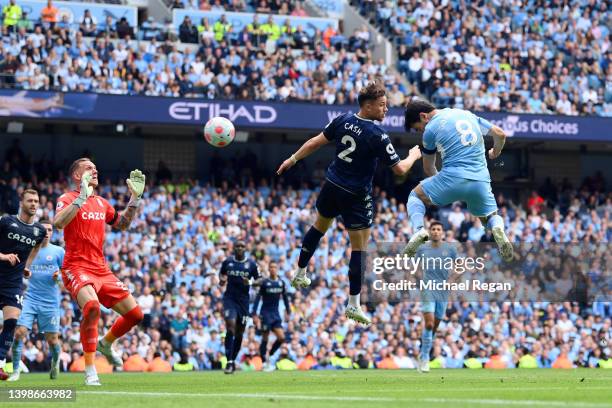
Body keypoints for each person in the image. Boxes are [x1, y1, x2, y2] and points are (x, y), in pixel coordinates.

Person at [276, 81, 422, 325]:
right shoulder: (377, 135)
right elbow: (399, 170)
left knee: (319, 227)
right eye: (382, 105)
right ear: (367, 106)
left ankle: (300, 271)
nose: (386, 110)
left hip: (332, 185)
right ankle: (353, 304)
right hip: (355, 194)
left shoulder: (342, 119)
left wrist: (292, 159)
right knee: (360, 248)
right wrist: (414, 156)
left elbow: (315, 142)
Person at [53, 158, 145, 386]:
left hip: (102, 269)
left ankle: (106, 343)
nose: (95, 170)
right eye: (88, 168)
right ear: (77, 176)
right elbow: (58, 223)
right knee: (93, 307)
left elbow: (122, 224)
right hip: (76, 267)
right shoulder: (67, 199)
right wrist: (81, 198)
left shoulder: (102, 203)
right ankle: (90, 369)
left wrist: (134, 199)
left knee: (136, 316)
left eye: (95, 167)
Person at [402, 100, 513, 262]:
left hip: (452, 177)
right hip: (480, 180)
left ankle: (419, 230)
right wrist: (496, 151)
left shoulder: (431, 130)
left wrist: (445, 187)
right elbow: (500, 133)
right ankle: (498, 228)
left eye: (419, 128)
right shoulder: (466, 114)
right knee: (490, 217)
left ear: (423, 116)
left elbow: (428, 168)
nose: (421, 131)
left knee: (415, 196)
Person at [9, 219, 64, 381]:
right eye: (43, 230)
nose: (47, 232)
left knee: (52, 340)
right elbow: (19, 269)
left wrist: (58, 276)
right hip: (30, 299)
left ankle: (55, 361)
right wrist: (24, 273)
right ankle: (16, 370)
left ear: (52, 232)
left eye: (50, 230)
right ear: (37, 232)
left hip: (51, 302)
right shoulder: (28, 250)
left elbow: (67, 274)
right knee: (19, 333)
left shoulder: (58, 252)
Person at [0, 189, 46, 380]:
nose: (34, 204)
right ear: (22, 202)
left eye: (36, 201)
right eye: (30, 200)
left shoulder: (39, 231)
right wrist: (3, 256)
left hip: (13, 284)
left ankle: (0, 364)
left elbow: (35, 248)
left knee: (11, 323)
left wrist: (27, 266)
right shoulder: (6, 222)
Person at [415, 221, 457, 373]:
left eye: (438, 229)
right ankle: (425, 358)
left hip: (443, 291)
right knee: (429, 323)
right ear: (430, 232)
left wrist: (451, 280)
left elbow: (460, 266)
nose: (436, 231)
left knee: (435, 325)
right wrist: (418, 279)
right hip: (428, 289)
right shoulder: (422, 249)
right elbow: (414, 268)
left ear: (442, 232)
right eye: (433, 229)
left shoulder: (450, 249)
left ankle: (423, 351)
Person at [219, 239, 260, 374]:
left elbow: (259, 279)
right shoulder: (228, 262)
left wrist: (250, 281)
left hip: (243, 302)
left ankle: (232, 359)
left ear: (246, 248)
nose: (240, 248)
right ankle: (229, 362)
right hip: (229, 299)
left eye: (242, 246)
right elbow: (222, 274)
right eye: (237, 246)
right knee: (230, 327)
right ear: (234, 248)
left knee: (240, 333)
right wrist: (222, 280)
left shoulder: (251, 265)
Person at [251, 261, 290, 371]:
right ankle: (263, 362)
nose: (273, 269)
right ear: (269, 269)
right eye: (271, 267)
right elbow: (258, 298)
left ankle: (271, 354)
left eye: (274, 267)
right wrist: (254, 313)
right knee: (265, 338)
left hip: (276, 314)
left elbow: (285, 298)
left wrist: (288, 311)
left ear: (277, 269)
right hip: (265, 314)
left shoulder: (281, 283)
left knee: (282, 338)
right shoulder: (265, 283)